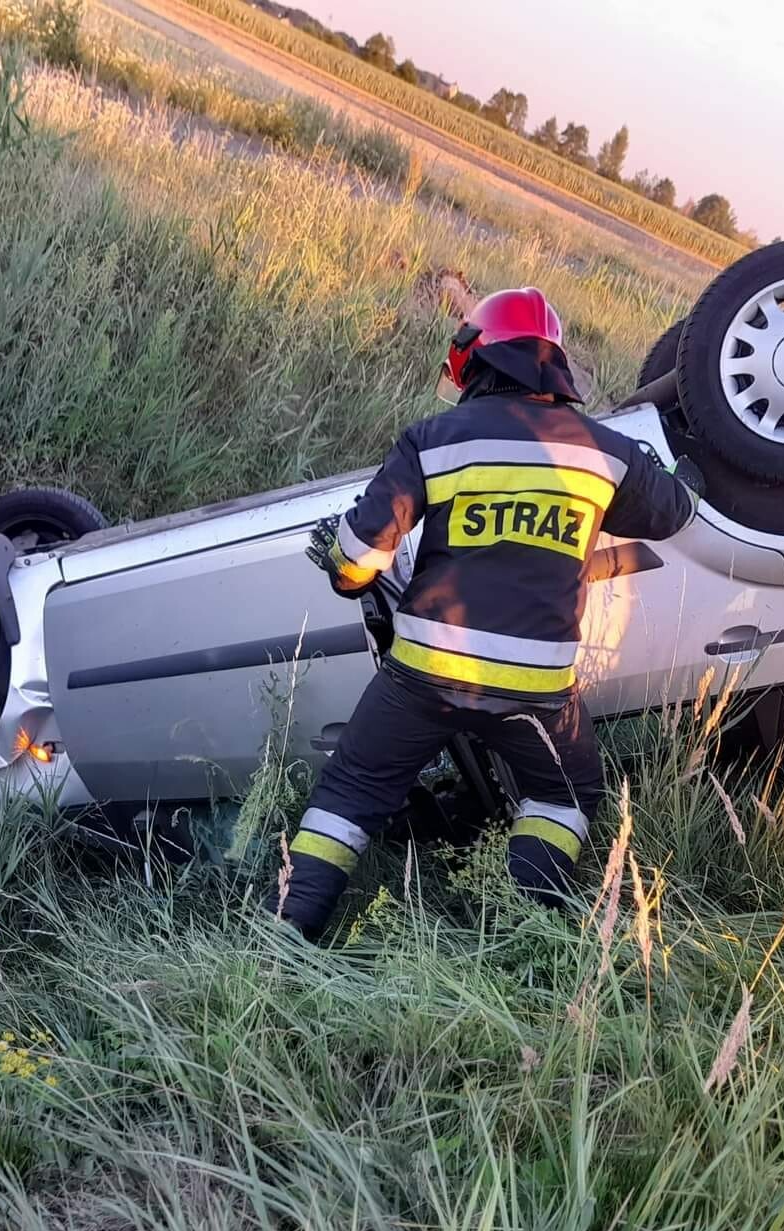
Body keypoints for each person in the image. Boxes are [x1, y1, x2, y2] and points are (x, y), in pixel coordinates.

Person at [266, 289, 701, 941]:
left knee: (348, 797)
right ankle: (518, 938)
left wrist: (339, 559)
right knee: (562, 798)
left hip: (421, 678)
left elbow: (356, 564)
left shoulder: (433, 440)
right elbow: (674, 512)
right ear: (552, 368)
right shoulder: (603, 453)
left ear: (476, 361)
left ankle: (284, 938)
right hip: (535, 693)